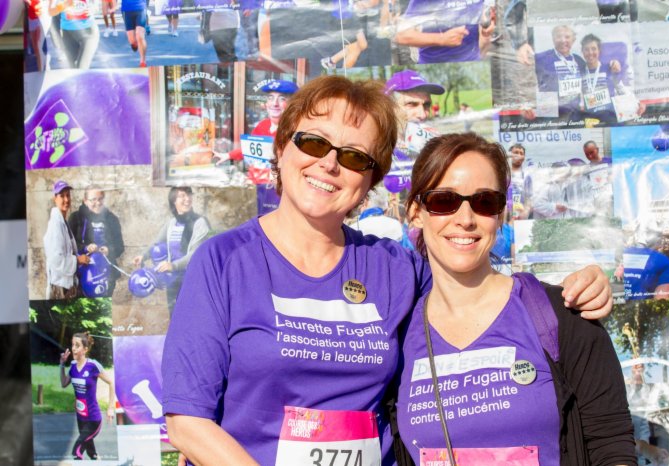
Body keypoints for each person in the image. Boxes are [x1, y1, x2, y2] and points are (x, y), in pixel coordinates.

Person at [161, 76, 614, 465]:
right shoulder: (223, 260)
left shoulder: (395, 268)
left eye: (355, 157)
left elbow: (481, 293)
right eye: (314, 142)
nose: (330, 163)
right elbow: (186, 422)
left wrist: (576, 290)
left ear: (369, 183)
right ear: (282, 147)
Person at [397, 133, 635, 465]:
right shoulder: (398, 336)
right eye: (443, 200)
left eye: (484, 201)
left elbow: (611, 444)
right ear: (415, 212)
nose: (465, 218)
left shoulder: (561, 316)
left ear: (500, 214)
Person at [133, 187, 211, 313]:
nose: (187, 199)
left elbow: (196, 253)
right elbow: (158, 242)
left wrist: (173, 265)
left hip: (193, 278)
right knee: (174, 314)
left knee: (192, 313)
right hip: (173, 279)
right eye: (182, 196)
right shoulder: (172, 223)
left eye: (189, 195)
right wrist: (144, 255)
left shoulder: (200, 222)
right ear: (173, 201)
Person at [59, 332, 116, 460]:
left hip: (93, 419)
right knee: (92, 454)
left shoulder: (93, 366)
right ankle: (96, 459)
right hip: (81, 418)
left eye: (77, 345)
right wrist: (62, 364)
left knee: (76, 452)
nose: (73, 348)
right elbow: (64, 383)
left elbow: (111, 383)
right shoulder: (73, 366)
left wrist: (110, 408)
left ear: (85, 349)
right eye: (72, 345)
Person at [394, 0, 495, 63]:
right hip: (435, 64)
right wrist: (442, 39)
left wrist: (487, 27)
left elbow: (485, 15)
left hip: (473, 62)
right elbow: (401, 35)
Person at [68, 187, 125, 296]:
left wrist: (109, 250)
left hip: (106, 275)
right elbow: (69, 246)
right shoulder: (75, 218)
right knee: (84, 305)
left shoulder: (112, 219)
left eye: (100, 199)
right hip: (82, 274)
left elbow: (120, 246)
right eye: (93, 199)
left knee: (102, 305)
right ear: (85, 201)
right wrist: (86, 248)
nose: (98, 203)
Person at [579, 34, 644, 124]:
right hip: (590, 119)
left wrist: (636, 103)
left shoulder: (609, 68)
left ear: (599, 50)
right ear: (582, 51)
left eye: (593, 49)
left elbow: (620, 87)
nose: (590, 52)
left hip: (610, 118)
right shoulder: (580, 71)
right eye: (586, 49)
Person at [43, 180, 90, 300]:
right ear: (55, 198)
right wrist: (78, 260)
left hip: (66, 285)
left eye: (68, 195)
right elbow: (56, 259)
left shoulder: (63, 222)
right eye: (62, 196)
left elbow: (68, 252)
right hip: (60, 287)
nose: (66, 199)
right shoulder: (55, 224)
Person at [535, 25, 586, 121]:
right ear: (553, 39)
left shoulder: (579, 61)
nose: (563, 40)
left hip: (574, 114)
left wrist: (612, 64)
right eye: (559, 36)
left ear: (573, 40)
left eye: (567, 37)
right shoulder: (541, 58)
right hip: (550, 114)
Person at [623, 218, 669, 300]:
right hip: (642, 307)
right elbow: (662, 300)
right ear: (657, 238)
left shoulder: (619, 256)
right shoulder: (664, 262)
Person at [48, 0, 100, 69]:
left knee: (81, 67)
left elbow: (96, 4)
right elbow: (51, 12)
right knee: (71, 69)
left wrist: (92, 9)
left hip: (88, 32)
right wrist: (63, 5)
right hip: (68, 34)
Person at [508, 143, 532, 221]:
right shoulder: (503, 174)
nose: (519, 155)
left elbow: (529, 198)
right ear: (510, 155)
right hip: (505, 217)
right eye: (516, 152)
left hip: (521, 217)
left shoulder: (527, 176)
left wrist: (526, 212)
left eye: (521, 153)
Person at [121, 0, 148, 67]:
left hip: (140, 7)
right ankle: (136, 43)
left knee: (140, 36)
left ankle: (143, 61)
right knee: (132, 41)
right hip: (127, 10)